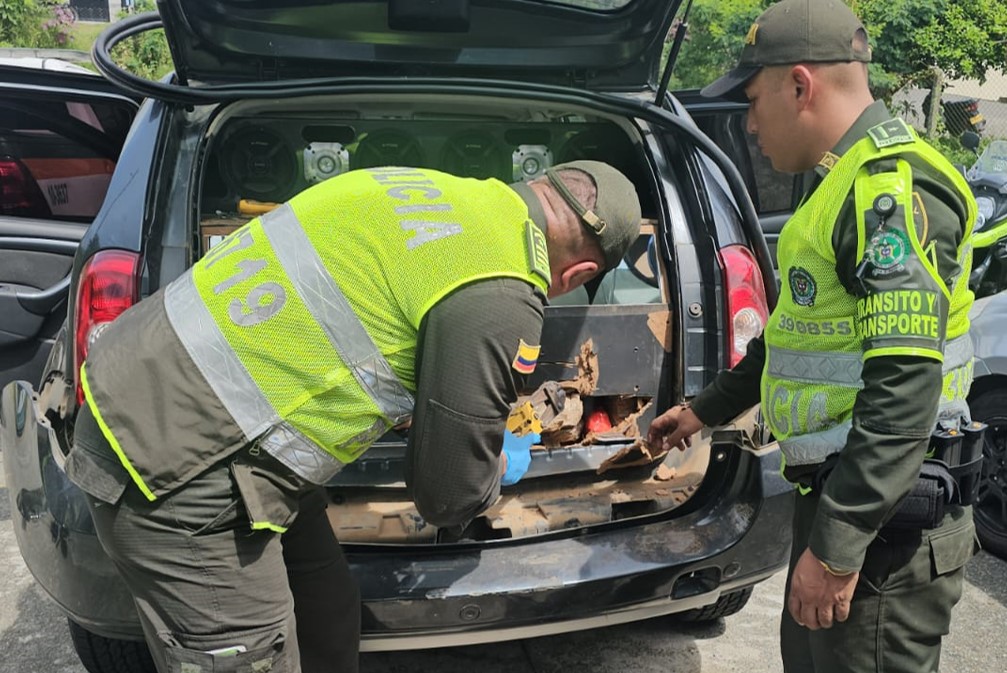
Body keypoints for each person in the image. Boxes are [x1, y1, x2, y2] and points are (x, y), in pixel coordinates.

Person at [64, 160, 641, 673]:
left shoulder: (415, 184)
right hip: (174, 466)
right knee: (249, 653)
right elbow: (446, 496)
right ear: (579, 275)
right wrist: (490, 465)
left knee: (326, 610)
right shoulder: (500, 286)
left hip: (181, 406)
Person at [648, 1, 978, 671]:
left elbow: (904, 382)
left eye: (751, 99)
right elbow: (796, 334)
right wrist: (703, 409)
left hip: (883, 527)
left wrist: (836, 544)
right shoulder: (836, 185)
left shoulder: (886, 191)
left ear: (799, 84)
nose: (746, 124)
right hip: (852, 501)